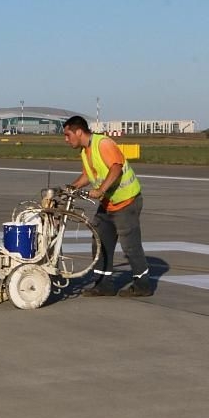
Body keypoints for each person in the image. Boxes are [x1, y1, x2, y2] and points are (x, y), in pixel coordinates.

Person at [63, 115, 152, 297]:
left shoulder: (103, 143)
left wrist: (101, 190)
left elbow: (116, 167)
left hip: (127, 201)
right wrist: (71, 188)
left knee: (130, 246)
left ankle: (143, 285)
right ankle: (104, 284)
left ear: (78, 132)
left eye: (67, 134)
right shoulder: (85, 151)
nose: (66, 139)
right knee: (100, 242)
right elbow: (89, 175)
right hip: (109, 204)